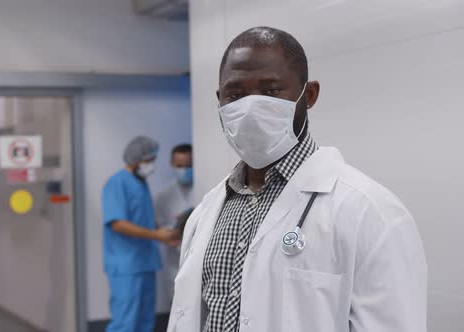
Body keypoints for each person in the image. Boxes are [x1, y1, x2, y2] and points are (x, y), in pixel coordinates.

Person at [168, 27, 427, 332]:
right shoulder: (206, 213)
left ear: (310, 94)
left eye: (270, 91)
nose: (250, 108)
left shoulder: (370, 211)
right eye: (235, 95)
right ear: (220, 100)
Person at [102, 136, 179, 332]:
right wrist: (156, 236)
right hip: (126, 265)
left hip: (145, 262)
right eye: (148, 160)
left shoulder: (141, 183)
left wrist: (167, 234)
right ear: (135, 160)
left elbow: (142, 220)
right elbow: (118, 224)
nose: (151, 165)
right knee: (126, 323)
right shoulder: (117, 183)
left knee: (145, 321)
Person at [154, 144, 194, 304]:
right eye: (179, 166)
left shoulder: (208, 190)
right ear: (172, 164)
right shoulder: (163, 197)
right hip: (175, 262)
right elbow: (157, 228)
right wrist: (170, 234)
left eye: (189, 166)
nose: (184, 170)